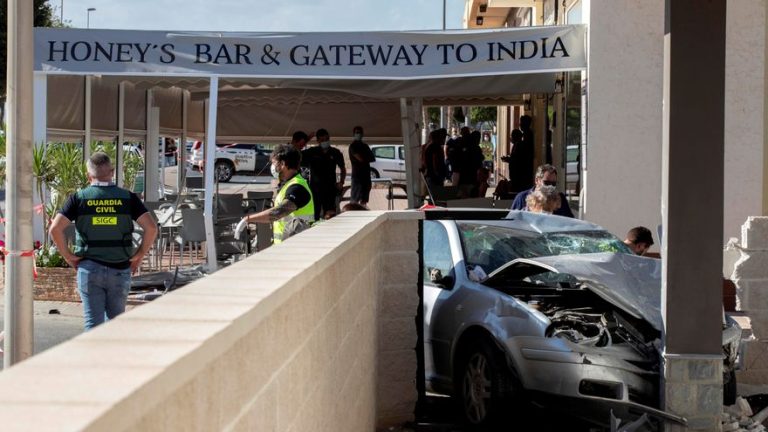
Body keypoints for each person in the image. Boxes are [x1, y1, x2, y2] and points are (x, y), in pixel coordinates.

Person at [49, 152, 158, 330]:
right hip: (120, 268)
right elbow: (151, 228)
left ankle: (92, 358)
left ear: (88, 175)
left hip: (89, 268)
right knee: (115, 325)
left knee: (93, 324)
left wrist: (69, 257)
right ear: (112, 172)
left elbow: (55, 229)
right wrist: (138, 256)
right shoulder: (128, 197)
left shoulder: (79, 198)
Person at [236, 144, 314, 244]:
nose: (272, 167)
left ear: (282, 164)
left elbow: (278, 212)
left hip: (296, 246)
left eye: (274, 163)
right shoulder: (289, 184)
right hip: (288, 244)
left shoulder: (297, 187)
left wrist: (248, 219)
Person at [301, 128, 346, 221]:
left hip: (330, 188)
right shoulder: (312, 152)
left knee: (331, 215)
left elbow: (343, 168)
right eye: (322, 140)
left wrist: (341, 182)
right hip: (315, 189)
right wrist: (307, 140)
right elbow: (295, 152)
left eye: (327, 139)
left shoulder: (335, 152)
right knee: (314, 214)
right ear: (318, 141)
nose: (325, 142)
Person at [348, 126, 376, 207]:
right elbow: (361, 159)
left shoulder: (365, 146)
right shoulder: (353, 146)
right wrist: (365, 157)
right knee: (355, 200)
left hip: (366, 176)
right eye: (357, 132)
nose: (359, 134)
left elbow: (372, 158)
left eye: (360, 132)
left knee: (364, 200)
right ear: (353, 134)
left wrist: (364, 158)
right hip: (357, 177)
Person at [420, 128, 447, 196]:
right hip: (434, 177)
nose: (444, 139)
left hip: (430, 175)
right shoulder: (435, 147)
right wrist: (437, 175)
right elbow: (434, 162)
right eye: (443, 137)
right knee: (436, 197)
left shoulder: (427, 146)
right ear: (437, 137)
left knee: (432, 196)